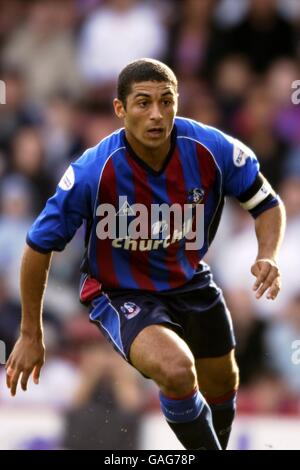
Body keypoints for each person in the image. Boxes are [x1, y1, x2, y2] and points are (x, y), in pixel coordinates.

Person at [6, 58, 285, 450]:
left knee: (223, 382)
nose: (157, 114)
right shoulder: (93, 171)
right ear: (120, 109)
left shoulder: (211, 149)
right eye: (142, 103)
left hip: (190, 280)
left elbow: (267, 203)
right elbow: (38, 247)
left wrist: (269, 253)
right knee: (177, 369)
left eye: (166, 101)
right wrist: (30, 333)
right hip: (121, 292)